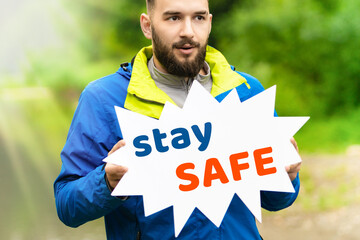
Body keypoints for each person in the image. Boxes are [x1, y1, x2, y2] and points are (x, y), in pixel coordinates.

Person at [54, 0, 301, 239]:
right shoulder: (105, 99)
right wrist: (107, 182)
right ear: (147, 25)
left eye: (199, 17)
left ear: (210, 22)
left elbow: (276, 200)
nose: (188, 31)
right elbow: (67, 205)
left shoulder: (246, 90)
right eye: (174, 18)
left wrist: (286, 176)